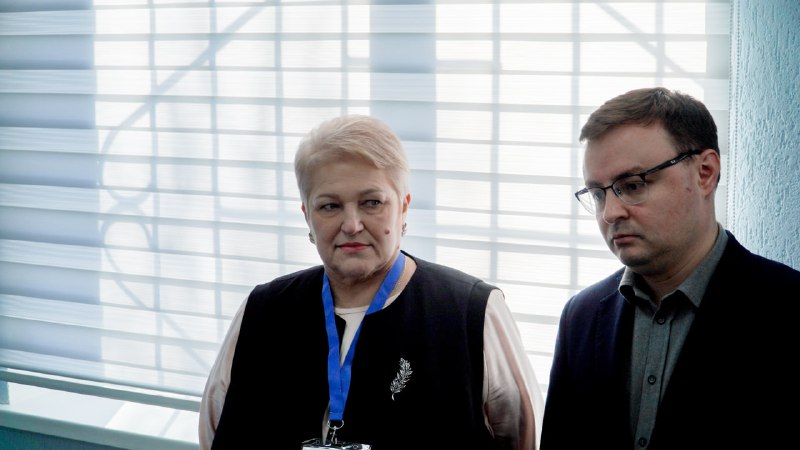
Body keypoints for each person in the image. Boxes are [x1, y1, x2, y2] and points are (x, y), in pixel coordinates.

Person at [199, 114, 544, 450]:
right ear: (307, 215)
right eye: (330, 206)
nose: (351, 225)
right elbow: (216, 435)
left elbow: (525, 440)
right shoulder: (262, 311)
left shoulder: (472, 313)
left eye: (371, 202)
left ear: (403, 208)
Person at [539, 87, 800, 450]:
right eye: (598, 194)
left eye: (632, 185)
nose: (610, 213)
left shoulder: (789, 309)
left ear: (705, 173)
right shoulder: (581, 317)